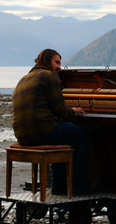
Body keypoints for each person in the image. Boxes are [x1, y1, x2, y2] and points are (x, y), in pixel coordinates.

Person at [12, 48, 91, 195]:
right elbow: (60, 111)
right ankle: (79, 187)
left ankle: (59, 186)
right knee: (81, 135)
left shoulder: (25, 78)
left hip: (22, 135)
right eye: (57, 62)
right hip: (41, 131)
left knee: (61, 136)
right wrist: (74, 111)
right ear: (47, 61)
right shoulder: (49, 76)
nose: (59, 67)